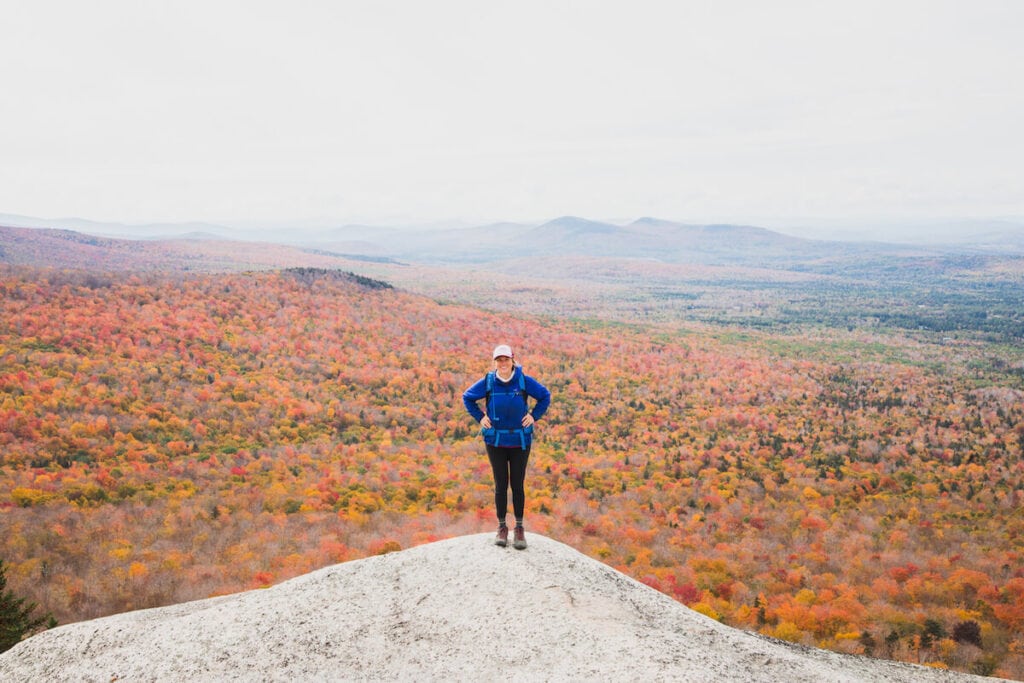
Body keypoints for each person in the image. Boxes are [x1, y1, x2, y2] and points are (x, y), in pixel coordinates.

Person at [463, 344, 551, 549]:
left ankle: (519, 529)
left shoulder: (523, 381)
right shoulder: (488, 382)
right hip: (495, 441)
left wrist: (533, 416)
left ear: (513, 360)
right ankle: (502, 527)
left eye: (506, 360)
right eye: (499, 360)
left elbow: (545, 396)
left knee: (518, 484)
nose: (502, 364)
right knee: (501, 484)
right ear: (495, 362)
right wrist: (480, 417)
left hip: (520, 441)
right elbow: (467, 397)